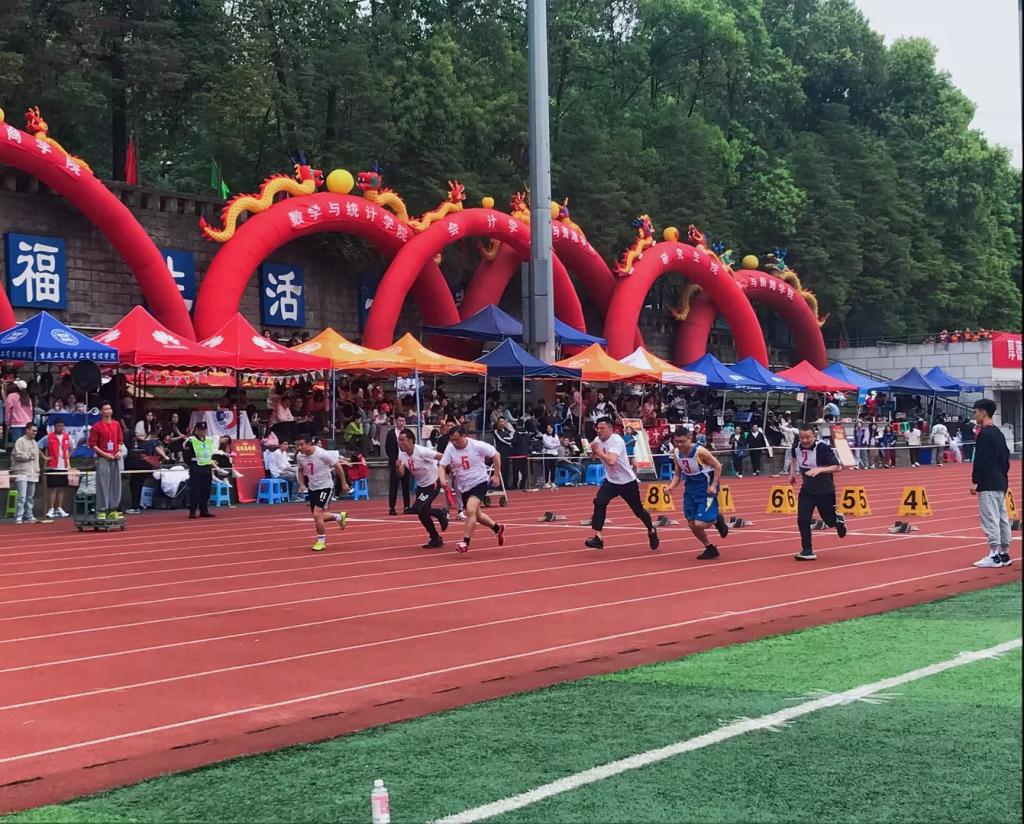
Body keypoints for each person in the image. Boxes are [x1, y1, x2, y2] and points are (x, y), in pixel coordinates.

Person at [583, 417, 659, 551]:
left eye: (602, 428)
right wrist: (593, 451)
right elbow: (593, 456)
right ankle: (598, 537)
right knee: (599, 502)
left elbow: (612, 461)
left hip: (627, 482)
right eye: (597, 428)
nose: (599, 431)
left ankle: (651, 529)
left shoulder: (617, 440)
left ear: (610, 429)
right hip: (611, 481)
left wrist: (598, 450)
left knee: (638, 510)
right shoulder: (597, 440)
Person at [438, 425, 505, 553]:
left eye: (457, 439)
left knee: (470, 510)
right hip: (464, 486)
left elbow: (496, 455)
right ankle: (497, 528)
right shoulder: (450, 448)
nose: (454, 442)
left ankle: (465, 542)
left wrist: (496, 475)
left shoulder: (477, 445)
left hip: (479, 482)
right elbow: (442, 466)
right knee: (477, 515)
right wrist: (442, 480)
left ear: (464, 436)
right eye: (452, 440)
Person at [666, 427, 729, 559]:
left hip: (705, 488)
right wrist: (671, 487)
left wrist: (714, 485)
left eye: (682, 441)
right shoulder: (676, 453)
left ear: (689, 438)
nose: (679, 444)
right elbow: (677, 474)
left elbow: (718, 466)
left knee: (700, 523)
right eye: (676, 441)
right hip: (690, 489)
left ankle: (717, 519)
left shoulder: (700, 452)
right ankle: (709, 547)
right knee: (691, 523)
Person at [789, 422, 847, 561]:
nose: (804, 440)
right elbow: (794, 458)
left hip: (825, 491)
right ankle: (807, 550)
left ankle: (838, 520)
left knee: (829, 521)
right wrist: (792, 473)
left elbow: (838, 467)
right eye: (802, 437)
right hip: (807, 490)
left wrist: (820, 469)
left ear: (814, 436)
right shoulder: (796, 446)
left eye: (808, 437)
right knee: (802, 519)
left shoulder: (822, 448)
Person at [969, 399, 1012, 568]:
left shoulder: (984, 434)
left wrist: (975, 480)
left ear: (983, 412)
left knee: (990, 518)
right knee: (1002, 518)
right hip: (1000, 480)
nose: (974, 415)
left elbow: (981, 460)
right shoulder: (998, 433)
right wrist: (1002, 475)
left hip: (989, 481)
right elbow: (1006, 457)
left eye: (976, 412)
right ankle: (1004, 552)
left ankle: (994, 554)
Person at [396, 428, 449, 548]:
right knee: (419, 512)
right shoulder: (401, 454)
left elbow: (442, 456)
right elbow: (401, 474)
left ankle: (440, 514)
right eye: (399, 440)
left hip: (433, 482)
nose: (399, 443)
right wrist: (398, 468)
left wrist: (449, 469)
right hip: (421, 485)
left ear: (410, 441)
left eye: (402, 440)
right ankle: (435, 538)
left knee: (422, 508)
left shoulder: (422, 451)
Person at [295, 435, 350, 552]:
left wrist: (344, 482)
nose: (300, 447)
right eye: (298, 445)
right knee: (318, 517)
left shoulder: (322, 454)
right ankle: (339, 517)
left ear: (309, 443)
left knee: (317, 514)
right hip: (312, 487)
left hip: (325, 486)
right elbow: (300, 469)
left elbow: (337, 465)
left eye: (302, 445)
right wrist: (302, 484)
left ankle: (321, 542)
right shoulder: (300, 456)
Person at [88, 402, 124, 520]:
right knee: (103, 483)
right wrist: (104, 454)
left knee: (116, 483)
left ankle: (113, 508)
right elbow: (93, 444)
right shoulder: (97, 426)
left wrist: (119, 451)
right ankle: (102, 509)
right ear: (101, 412)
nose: (108, 411)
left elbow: (120, 441)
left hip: (115, 457)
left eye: (110, 408)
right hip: (103, 458)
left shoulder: (116, 424)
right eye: (106, 409)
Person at [184, 421, 216, 519]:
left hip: (207, 468)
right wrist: (192, 466)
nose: (203, 432)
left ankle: (204, 510)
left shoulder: (209, 440)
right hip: (196, 468)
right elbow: (186, 457)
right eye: (201, 430)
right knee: (195, 490)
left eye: (204, 430)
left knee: (206, 490)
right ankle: (193, 511)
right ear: (196, 430)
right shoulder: (191, 441)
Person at [11, 422, 41, 524]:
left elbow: (37, 459)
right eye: (33, 430)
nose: (34, 433)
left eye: (36, 431)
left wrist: (37, 471)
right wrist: (29, 455)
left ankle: (29, 515)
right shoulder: (20, 441)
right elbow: (17, 455)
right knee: (22, 496)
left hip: (33, 472)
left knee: (30, 497)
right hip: (22, 472)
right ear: (27, 430)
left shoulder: (35, 443)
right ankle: (19, 516)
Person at [43, 418, 72, 518]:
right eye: (59, 426)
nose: (61, 428)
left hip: (64, 466)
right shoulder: (48, 437)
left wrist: (68, 456)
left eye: (62, 426)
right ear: (54, 427)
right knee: (53, 488)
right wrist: (45, 457)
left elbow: (73, 447)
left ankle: (59, 508)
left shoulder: (67, 437)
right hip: (53, 466)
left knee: (61, 488)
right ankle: (51, 509)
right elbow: (38, 446)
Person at [384, 415, 413, 516]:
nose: (401, 422)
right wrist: (393, 459)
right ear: (396, 421)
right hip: (395, 462)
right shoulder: (391, 433)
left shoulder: (408, 433)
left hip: (406, 461)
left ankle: (407, 506)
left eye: (403, 420)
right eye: (399, 420)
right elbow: (387, 447)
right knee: (393, 485)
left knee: (406, 485)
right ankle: (391, 507)